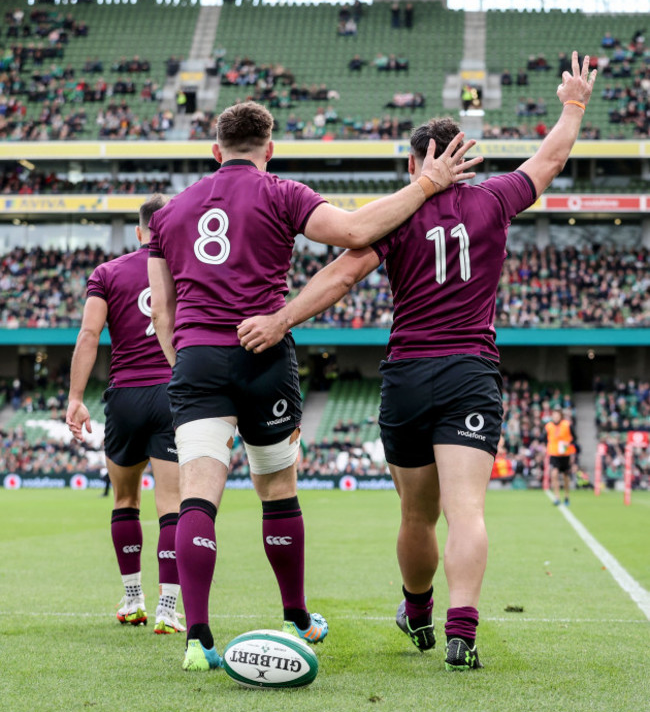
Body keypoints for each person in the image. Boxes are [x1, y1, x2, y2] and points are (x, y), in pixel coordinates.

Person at [237, 51, 597, 671]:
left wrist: (281, 320)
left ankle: (419, 610)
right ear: (464, 156)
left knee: (415, 513)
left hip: (407, 374)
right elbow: (552, 158)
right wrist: (573, 104)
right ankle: (463, 629)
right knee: (468, 512)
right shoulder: (495, 200)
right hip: (470, 373)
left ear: (414, 164)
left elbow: (340, 277)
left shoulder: (396, 216)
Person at [146, 100, 480, 672]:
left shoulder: (169, 212)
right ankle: (296, 617)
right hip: (263, 351)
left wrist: (187, 360)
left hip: (198, 357)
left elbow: (162, 314)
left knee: (197, 494)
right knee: (277, 489)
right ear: (269, 149)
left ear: (215, 149)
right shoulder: (281, 192)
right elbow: (353, 232)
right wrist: (427, 184)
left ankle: (197, 640)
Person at [66, 194, 185, 635]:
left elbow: (89, 333)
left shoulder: (107, 272)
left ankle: (133, 599)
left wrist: (76, 397)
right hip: (174, 393)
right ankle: (168, 608)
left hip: (125, 397)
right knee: (171, 505)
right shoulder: (184, 268)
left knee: (124, 500)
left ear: (139, 231)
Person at [545, 408, 577, 506]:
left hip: (565, 454)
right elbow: (544, 438)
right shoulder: (548, 426)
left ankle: (567, 496)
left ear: (560, 416)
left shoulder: (567, 425)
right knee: (554, 474)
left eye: (557, 416)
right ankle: (557, 497)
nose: (555, 418)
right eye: (554, 416)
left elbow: (574, 438)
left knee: (565, 476)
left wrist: (568, 444)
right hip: (554, 454)